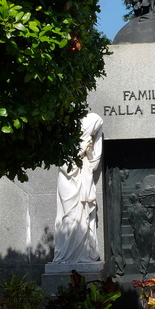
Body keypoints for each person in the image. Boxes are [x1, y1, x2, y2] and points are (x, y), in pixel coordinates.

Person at [52, 113, 104, 264]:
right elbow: (65, 167)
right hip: (68, 183)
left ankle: (83, 254)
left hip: (83, 181)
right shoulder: (65, 141)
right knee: (69, 216)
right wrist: (81, 148)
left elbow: (94, 164)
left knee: (83, 217)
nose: (93, 136)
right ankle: (66, 254)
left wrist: (89, 150)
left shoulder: (88, 144)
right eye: (92, 132)